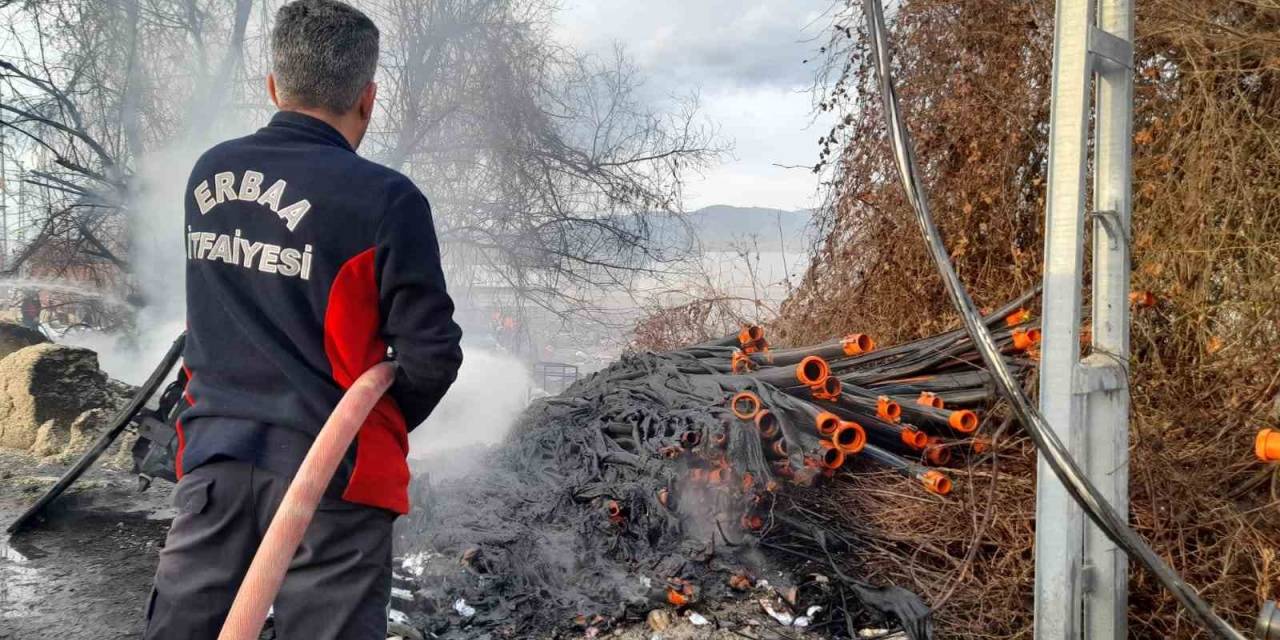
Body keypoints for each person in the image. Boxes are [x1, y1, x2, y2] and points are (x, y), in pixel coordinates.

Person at [143, 1, 463, 638]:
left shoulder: (212, 173)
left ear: (273, 86)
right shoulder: (385, 198)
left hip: (215, 463)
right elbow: (432, 356)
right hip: (332, 484)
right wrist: (371, 420)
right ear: (368, 99)